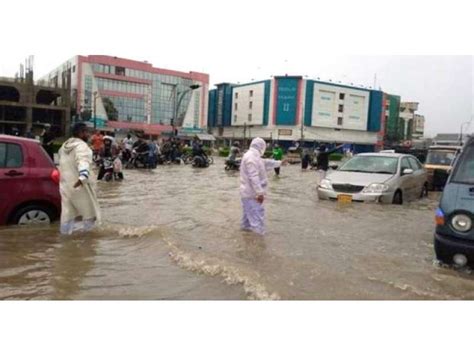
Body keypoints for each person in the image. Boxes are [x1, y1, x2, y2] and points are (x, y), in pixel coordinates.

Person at [58, 123, 101, 235]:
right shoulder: (82, 146)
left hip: (66, 186)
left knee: (68, 214)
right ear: (81, 133)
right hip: (79, 185)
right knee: (89, 213)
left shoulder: (63, 146)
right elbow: (83, 161)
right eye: (87, 132)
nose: (88, 135)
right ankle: (88, 241)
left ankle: (66, 238)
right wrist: (83, 176)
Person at [240, 137, 286, 235]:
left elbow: (265, 163)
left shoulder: (254, 157)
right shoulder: (251, 157)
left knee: (247, 223)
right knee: (257, 221)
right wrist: (259, 193)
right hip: (252, 195)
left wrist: (280, 163)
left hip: (249, 194)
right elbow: (253, 176)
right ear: (261, 146)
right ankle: (258, 246)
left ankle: (245, 242)